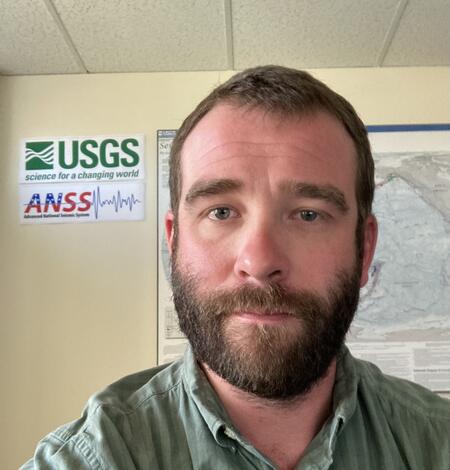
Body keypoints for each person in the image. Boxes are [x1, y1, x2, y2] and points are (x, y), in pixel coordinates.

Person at [22, 66, 450, 470]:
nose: (260, 261)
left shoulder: (436, 442)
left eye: (308, 215)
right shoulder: (98, 457)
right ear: (174, 243)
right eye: (222, 212)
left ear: (365, 247)